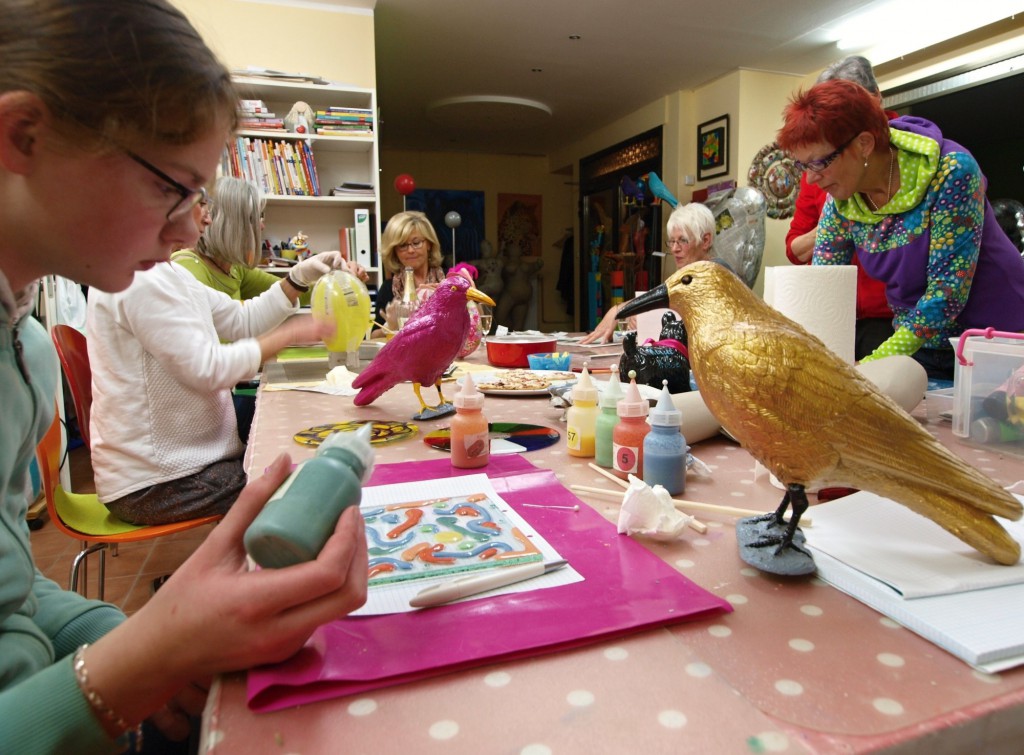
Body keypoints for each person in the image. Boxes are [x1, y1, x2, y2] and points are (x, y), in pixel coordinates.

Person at [0, 4, 367, 751]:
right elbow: (213, 359)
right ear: (23, 136)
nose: (187, 223)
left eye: (197, 197)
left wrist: (134, 645)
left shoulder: (27, 345)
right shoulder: (136, 284)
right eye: (173, 187)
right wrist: (145, 658)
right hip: (159, 480)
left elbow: (15, 595)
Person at [88, 188, 342, 525]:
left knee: (303, 463)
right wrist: (289, 335)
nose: (208, 216)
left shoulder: (169, 274)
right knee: (310, 486)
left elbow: (242, 320)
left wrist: (299, 276)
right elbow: (207, 369)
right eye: (199, 204)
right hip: (158, 485)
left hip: (183, 470)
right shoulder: (139, 279)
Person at [778, 79, 1024, 380]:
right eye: (804, 166)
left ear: (864, 144)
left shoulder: (950, 172)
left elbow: (946, 294)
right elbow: (824, 287)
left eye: (820, 163)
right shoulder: (842, 202)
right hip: (918, 342)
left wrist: (870, 365)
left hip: (995, 339)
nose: (812, 179)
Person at [785, 55, 895, 361]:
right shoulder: (823, 179)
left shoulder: (923, 161)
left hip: (891, 317)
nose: (813, 177)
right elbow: (797, 250)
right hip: (841, 314)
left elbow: (938, 298)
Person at [172, 176, 368, 303]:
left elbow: (297, 291)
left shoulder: (234, 269)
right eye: (254, 218)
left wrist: (343, 278)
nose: (261, 226)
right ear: (231, 224)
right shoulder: (189, 269)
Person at [580, 202, 716, 344]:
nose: (675, 249)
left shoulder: (716, 277)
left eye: (683, 240)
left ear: (705, 241)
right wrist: (621, 310)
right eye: (672, 241)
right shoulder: (687, 275)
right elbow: (665, 298)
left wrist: (646, 316)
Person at [373, 210, 446, 332]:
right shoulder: (388, 288)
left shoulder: (449, 279)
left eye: (416, 243)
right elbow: (374, 335)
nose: (411, 250)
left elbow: (477, 320)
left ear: (429, 244)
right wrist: (389, 327)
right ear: (394, 251)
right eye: (402, 245)